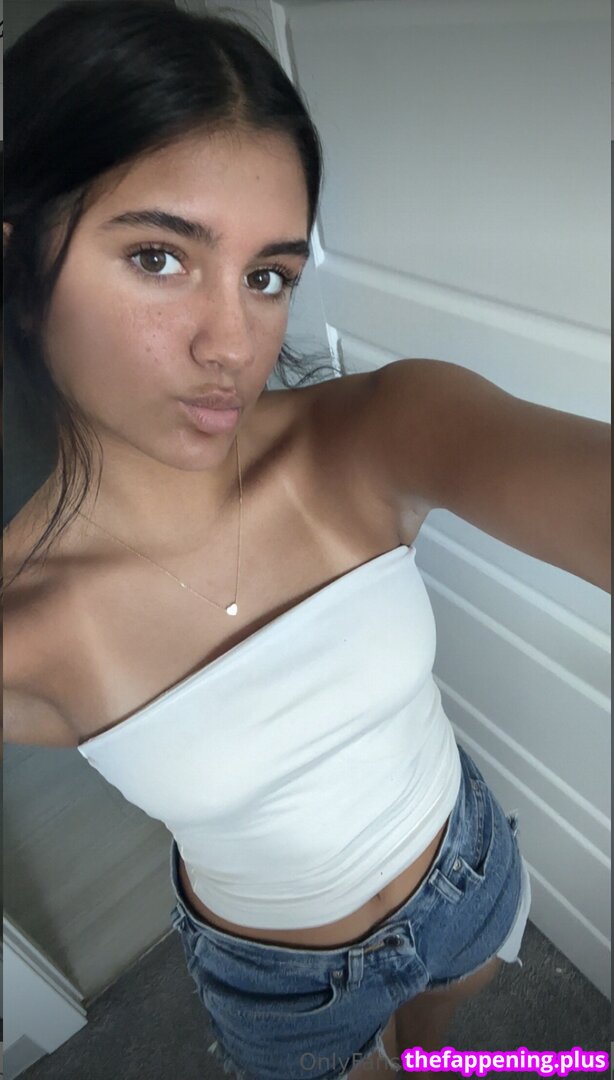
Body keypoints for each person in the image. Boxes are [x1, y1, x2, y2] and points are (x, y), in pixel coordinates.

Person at [3, 3, 610, 1079]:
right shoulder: (24, 629)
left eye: (268, 275)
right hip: (281, 986)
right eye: (157, 256)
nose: (232, 344)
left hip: (465, 872)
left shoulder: (370, 436)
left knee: (432, 1054)